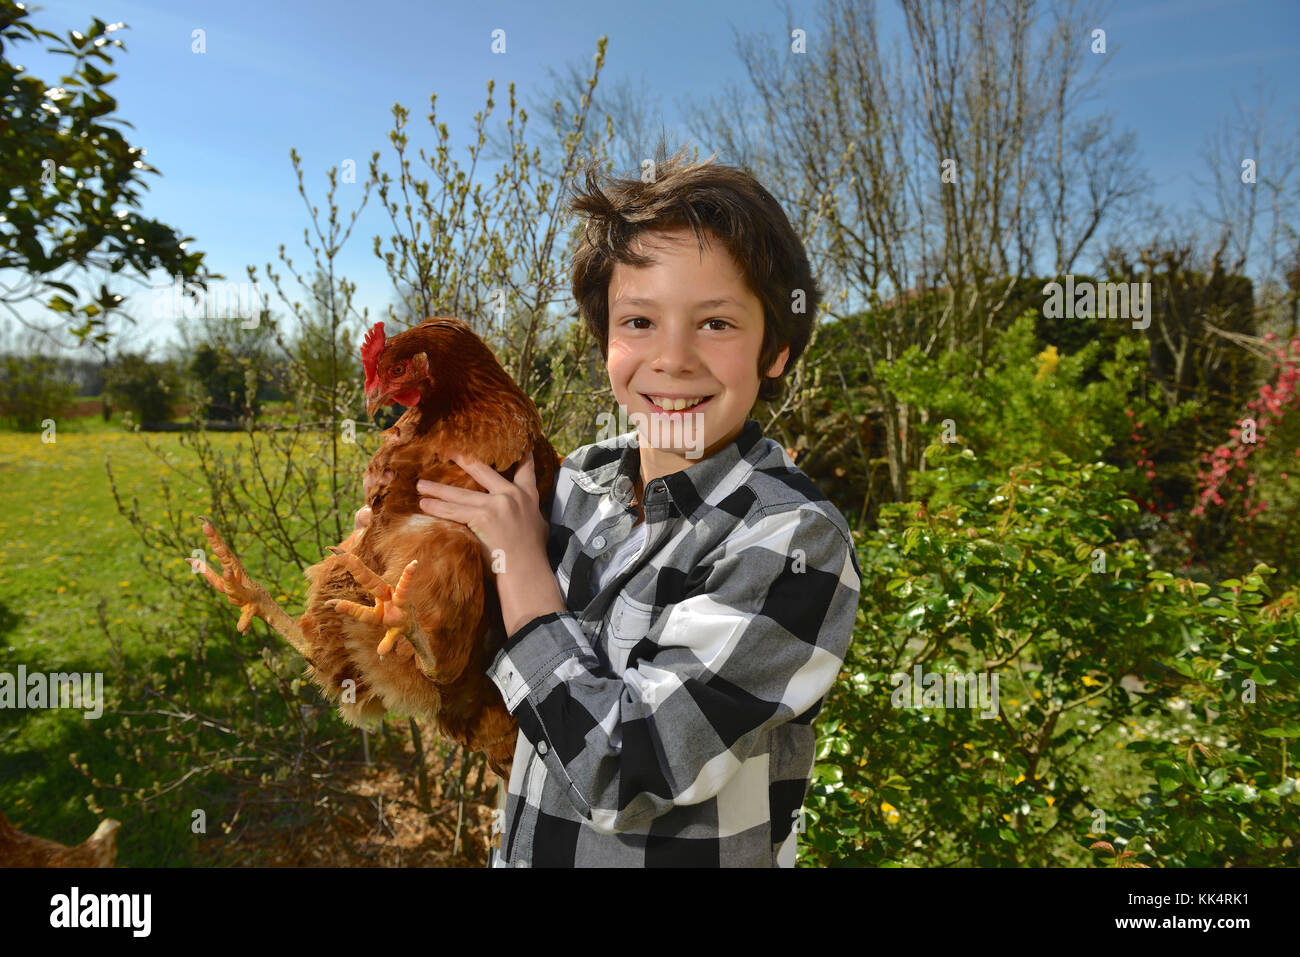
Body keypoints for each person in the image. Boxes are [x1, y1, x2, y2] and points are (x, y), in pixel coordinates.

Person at [407, 146, 862, 866]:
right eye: (640, 322)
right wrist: (417, 568)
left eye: (716, 323)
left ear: (775, 349)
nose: (673, 358)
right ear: (604, 339)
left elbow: (629, 769)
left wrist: (520, 569)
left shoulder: (790, 542)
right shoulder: (574, 482)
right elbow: (493, 671)